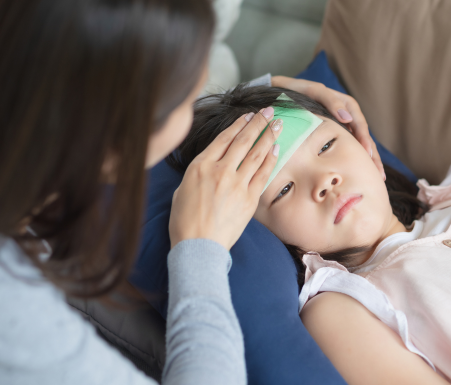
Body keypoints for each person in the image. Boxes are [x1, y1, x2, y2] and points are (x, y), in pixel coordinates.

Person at [0, 1, 381, 384]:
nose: (202, 92)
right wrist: (200, 250)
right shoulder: (16, 311)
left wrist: (261, 100)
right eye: (186, 95)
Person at [169, 84, 451, 385]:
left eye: (325, 146)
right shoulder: (341, 307)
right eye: (283, 189)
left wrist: (277, 86)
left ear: (366, 147)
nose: (326, 180)